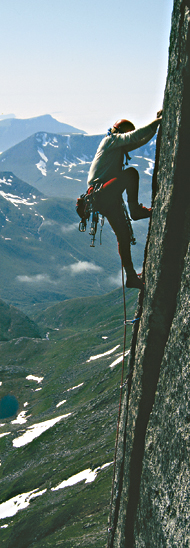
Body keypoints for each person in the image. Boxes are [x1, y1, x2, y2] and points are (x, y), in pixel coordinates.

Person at [87, 114, 162, 289]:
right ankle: (135, 210)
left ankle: (130, 277)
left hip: (103, 197)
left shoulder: (115, 144)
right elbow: (134, 137)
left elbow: (137, 141)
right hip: (102, 193)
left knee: (124, 236)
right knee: (130, 174)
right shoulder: (110, 141)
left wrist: (156, 128)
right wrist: (156, 122)